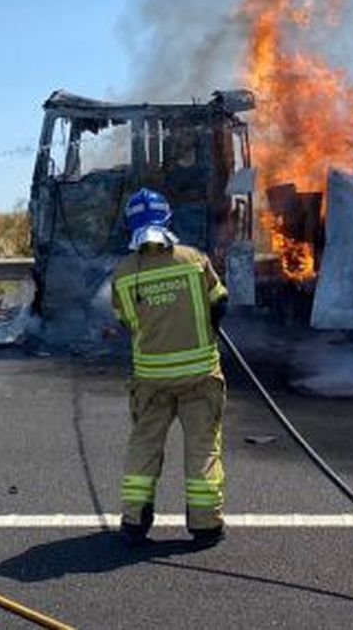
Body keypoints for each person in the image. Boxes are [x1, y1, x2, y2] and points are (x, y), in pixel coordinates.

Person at [110, 188, 230, 547]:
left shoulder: (125, 273)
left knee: (144, 446)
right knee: (203, 447)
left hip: (152, 380)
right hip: (200, 377)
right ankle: (206, 526)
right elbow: (219, 301)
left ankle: (134, 522)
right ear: (167, 219)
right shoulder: (193, 260)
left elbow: (129, 322)